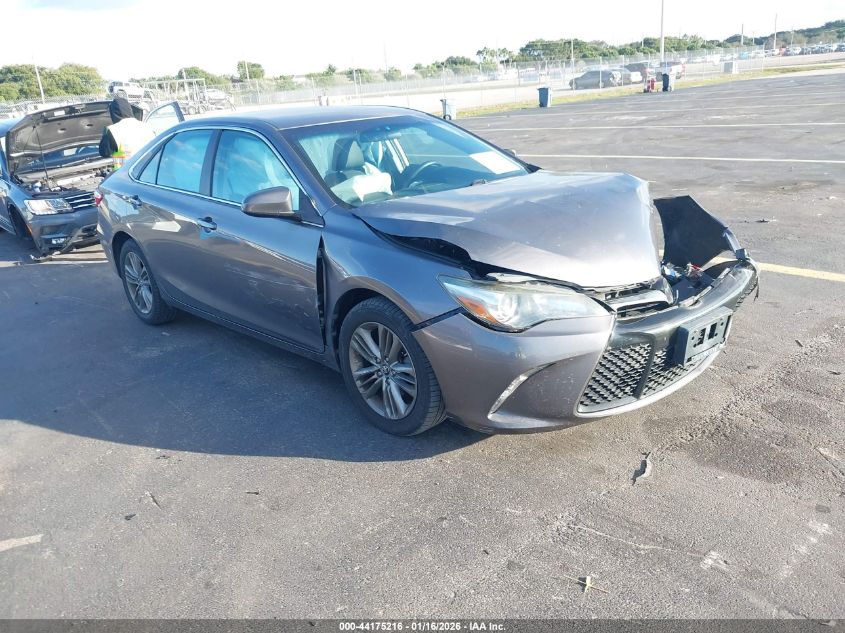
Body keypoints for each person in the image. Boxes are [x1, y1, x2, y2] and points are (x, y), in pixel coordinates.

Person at [98, 97, 155, 164]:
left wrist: (105, 134)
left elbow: (104, 152)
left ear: (113, 113)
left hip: (125, 171)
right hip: (150, 167)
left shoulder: (113, 130)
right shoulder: (147, 126)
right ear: (129, 109)